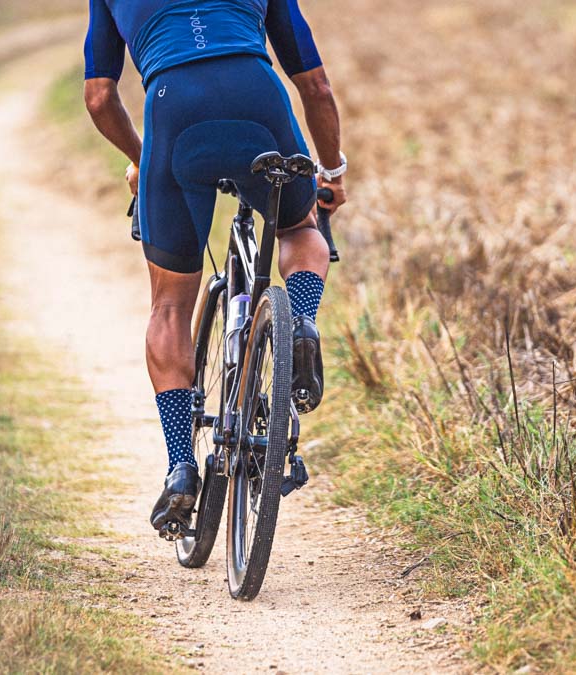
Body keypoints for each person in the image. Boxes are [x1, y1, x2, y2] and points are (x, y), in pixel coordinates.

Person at [82, 0, 346, 534]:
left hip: (172, 107)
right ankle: (299, 322)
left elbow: (99, 96)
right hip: (257, 95)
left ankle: (182, 466)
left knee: (171, 306)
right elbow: (315, 86)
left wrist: (144, 156)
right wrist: (333, 173)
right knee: (301, 232)